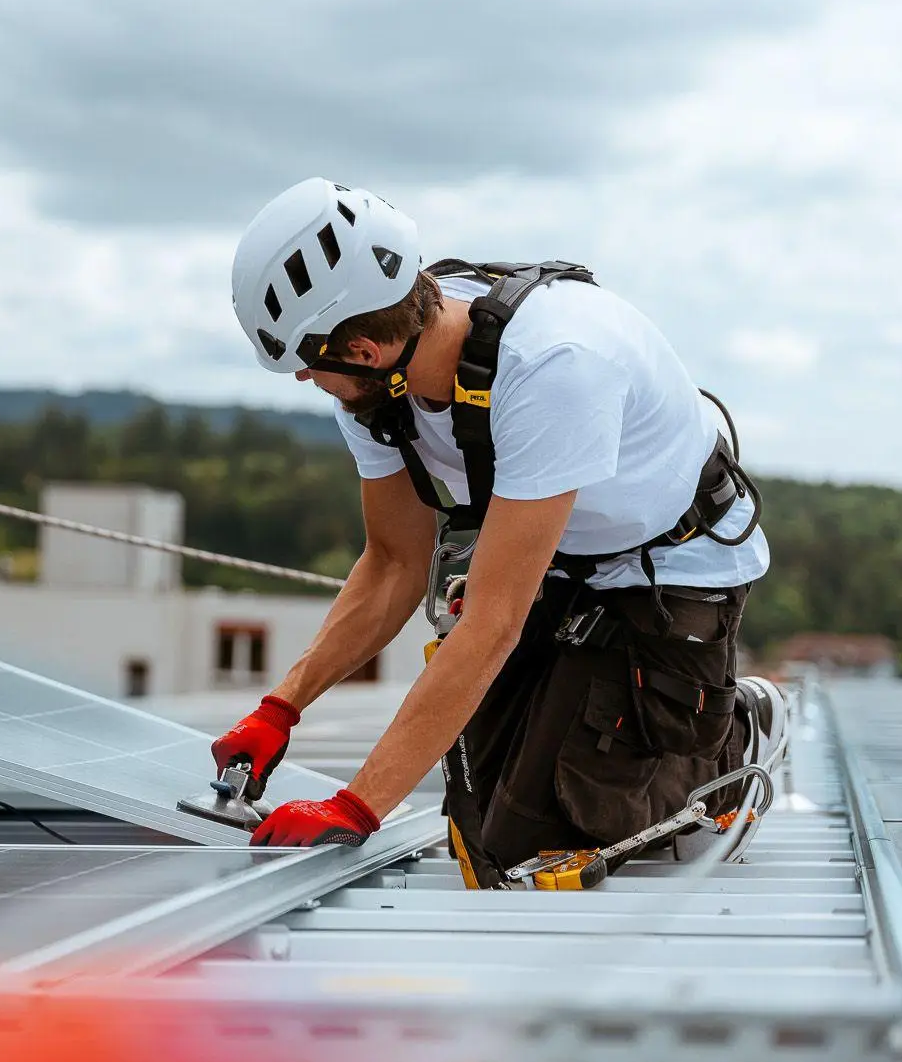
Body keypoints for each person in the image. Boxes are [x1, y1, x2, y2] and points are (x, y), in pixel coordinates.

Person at [213, 179, 769, 881]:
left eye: (306, 362)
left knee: (542, 838)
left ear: (359, 350)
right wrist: (278, 708)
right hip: (557, 557)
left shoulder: (550, 365)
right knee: (481, 838)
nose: (302, 379)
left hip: (667, 567)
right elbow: (391, 563)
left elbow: (491, 623)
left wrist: (355, 808)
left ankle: (728, 733)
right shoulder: (380, 396)